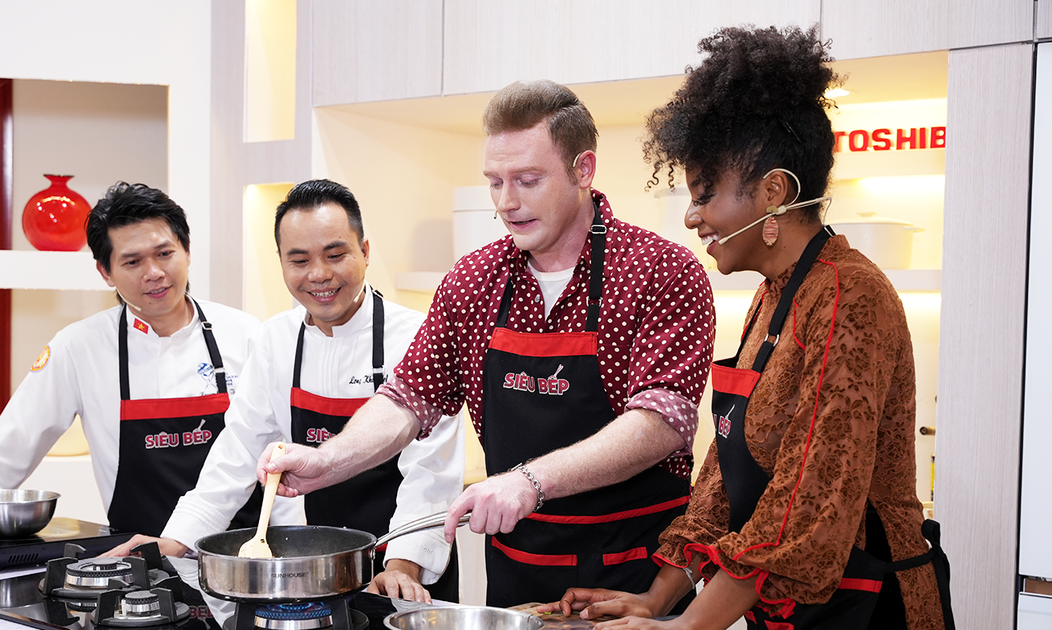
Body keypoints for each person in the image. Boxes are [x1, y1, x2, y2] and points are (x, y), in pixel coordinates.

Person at [543, 26, 953, 630]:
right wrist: (657, 600)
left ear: (774, 192)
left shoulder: (848, 297)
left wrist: (685, 627)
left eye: (705, 196)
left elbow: (807, 502)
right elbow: (721, 481)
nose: (690, 217)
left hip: (868, 605)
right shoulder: (773, 295)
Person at [257, 81, 716, 607]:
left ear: (583, 170)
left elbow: (662, 422)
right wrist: (329, 460)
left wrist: (527, 482)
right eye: (494, 182)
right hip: (517, 583)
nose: (507, 202)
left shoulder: (662, 271)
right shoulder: (474, 281)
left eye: (527, 180)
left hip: (634, 582)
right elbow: (410, 398)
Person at [104, 179, 464, 604]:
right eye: (299, 260)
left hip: (404, 566)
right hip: (323, 566)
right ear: (280, 263)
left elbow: (432, 472)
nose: (319, 275)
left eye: (335, 255)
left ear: (365, 251)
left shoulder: (419, 336)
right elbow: (237, 453)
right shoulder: (276, 340)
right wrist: (175, 540)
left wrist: (404, 565)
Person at [0, 182, 268, 547]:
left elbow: (271, 453)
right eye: (132, 262)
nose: (155, 273)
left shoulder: (246, 334)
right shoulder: (79, 346)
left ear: (187, 252)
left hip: (244, 555)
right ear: (105, 272)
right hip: (136, 565)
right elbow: (13, 444)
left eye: (165, 253)